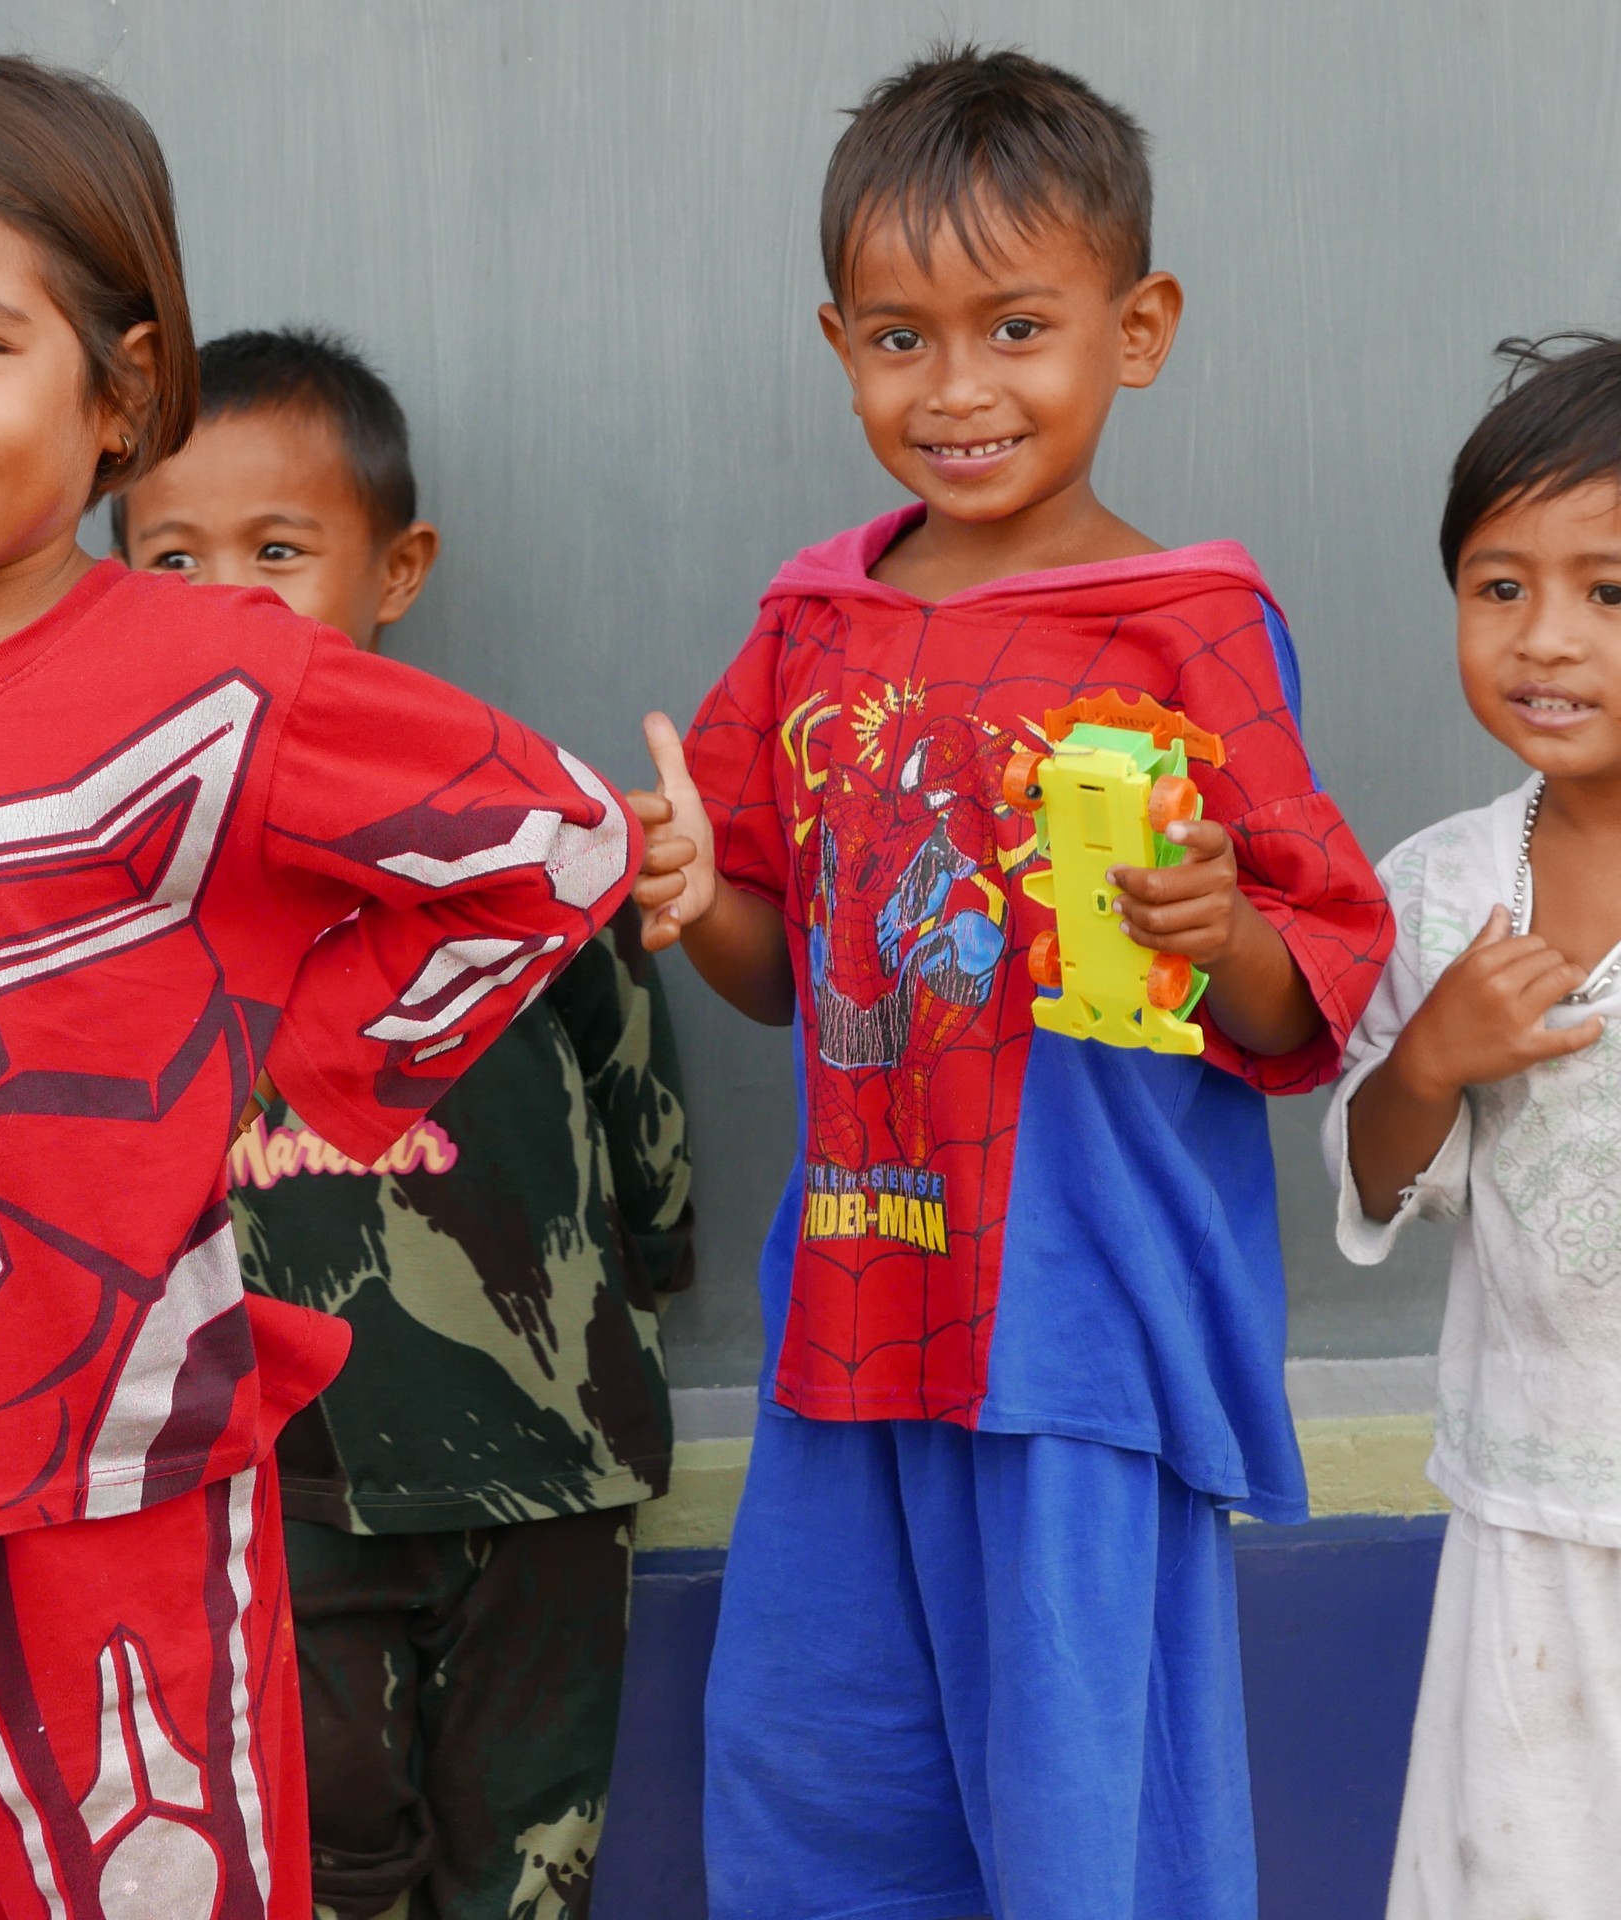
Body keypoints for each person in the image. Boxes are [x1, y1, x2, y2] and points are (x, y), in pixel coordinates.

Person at [0, 58, 638, 1920]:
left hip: (112, 1482)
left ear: (119, 391)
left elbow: (553, 849)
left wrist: (306, 1093)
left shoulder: (212, 675)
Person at [629, 46, 1393, 1920]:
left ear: (1136, 331)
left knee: (1082, 1822)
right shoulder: (815, 623)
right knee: (825, 1787)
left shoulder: (1186, 625)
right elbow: (768, 968)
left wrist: (1225, 934)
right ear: (840, 342)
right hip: (854, 1304)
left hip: (1072, 1323)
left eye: (1016, 327)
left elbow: (1317, 990)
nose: (956, 389)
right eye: (901, 337)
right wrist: (684, 889)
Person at [118, 327, 697, 1920]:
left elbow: (629, 1074)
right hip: (270, 1482)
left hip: (545, 1466)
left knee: (529, 1864)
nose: (227, 597)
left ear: (398, 568)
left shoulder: (518, 826)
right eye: (172, 557)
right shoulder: (121, 882)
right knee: (325, 1861)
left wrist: (651, 1251)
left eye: (279, 550)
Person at [1327, 336, 1621, 1920]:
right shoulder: (1439, 886)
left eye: (1610, 593)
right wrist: (1433, 1056)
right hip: (1529, 1527)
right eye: (1498, 586)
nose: (1546, 640)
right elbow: (1377, 1180)